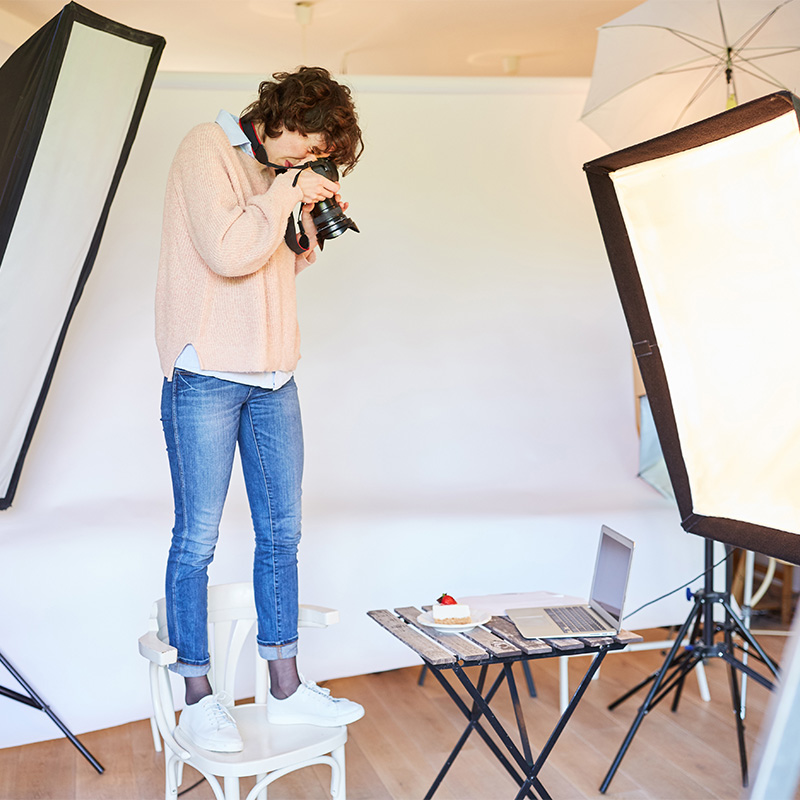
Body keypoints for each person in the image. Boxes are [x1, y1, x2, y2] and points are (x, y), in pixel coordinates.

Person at [155, 66, 365, 753]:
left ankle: (285, 688)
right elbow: (226, 254)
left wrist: (305, 215)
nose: (304, 161)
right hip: (208, 374)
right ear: (274, 117)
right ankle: (197, 695)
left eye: (314, 157)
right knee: (198, 541)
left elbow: (281, 263)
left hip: (276, 376)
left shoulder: (282, 178)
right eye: (301, 148)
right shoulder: (204, 149)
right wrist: (284, 192)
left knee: (282, 535)